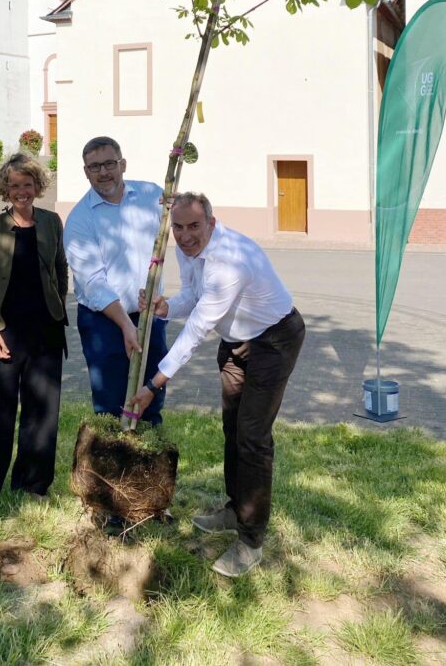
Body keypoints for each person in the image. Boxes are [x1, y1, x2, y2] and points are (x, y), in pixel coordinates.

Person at [129, 192, 305, 578]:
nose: (185, 235)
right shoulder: (189, 249)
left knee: (253, 438)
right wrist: (165, 307)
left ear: (211, 222)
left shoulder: (230, 260)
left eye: (194, 226)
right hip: (236, 341)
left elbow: (198, 328)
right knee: (233, 428)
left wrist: (154, 384)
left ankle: (251, 541)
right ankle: (235, 507)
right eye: (178, 227)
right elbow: (193, 295)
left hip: (274, 341)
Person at [0, 153, 68, 507]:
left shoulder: (51, 222)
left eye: (27, 184)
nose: (21, 191)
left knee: (42, 411)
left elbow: (60, 268)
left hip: (46, 332)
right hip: (2, 331)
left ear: (37, 186)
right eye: (14, 185)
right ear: (5, 188)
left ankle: (32, 486)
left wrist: (57, 307)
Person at [63, 136, 167, 425]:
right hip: (103, 322)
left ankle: (149, 447)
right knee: (110, 404)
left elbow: (181, 220)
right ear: (86, 172)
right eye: (95, 167)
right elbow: (93, 282)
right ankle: (111, 452)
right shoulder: (80, 219)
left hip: (149, 316)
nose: (103, 172)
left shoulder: (152, 195)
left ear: (123, 164)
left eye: (109, 164)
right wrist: (125, 325)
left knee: (151, 394)